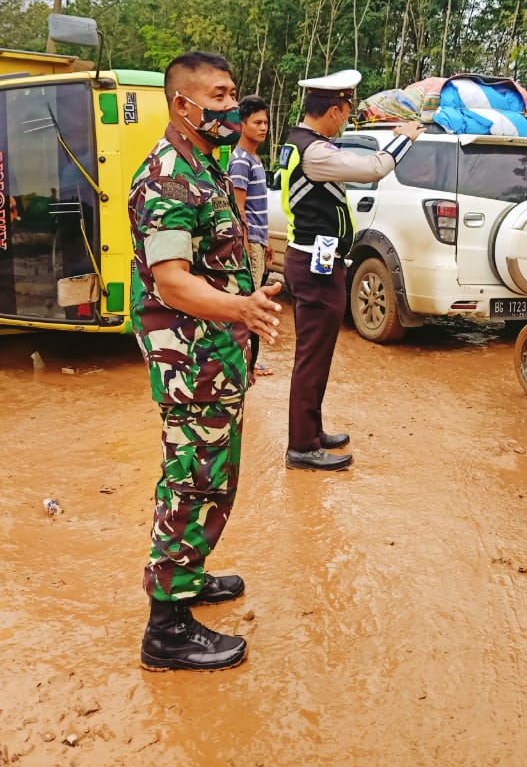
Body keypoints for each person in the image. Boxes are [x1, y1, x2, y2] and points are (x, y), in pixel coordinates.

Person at [129, 51, 284, 672]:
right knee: (193, 479)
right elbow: (171, 282)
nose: (229, 107)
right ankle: (166, 627)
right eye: (218, 97)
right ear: (183, 104)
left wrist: (245, 300)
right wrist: (241, 308)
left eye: (232, 96)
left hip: (215, 355)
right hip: (190, 359)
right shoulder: (166, 177)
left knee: (212, 475)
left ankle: (189, 578)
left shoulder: (206, 165)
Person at [279, 69, 425, 471]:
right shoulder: (315, 152)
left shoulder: (304, 142)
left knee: (318, 353)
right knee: (312, 356)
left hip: (313, 259)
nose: (346, 118)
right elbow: (375, 168)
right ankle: (301, 447)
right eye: (344, 110)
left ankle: (311, 431)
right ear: (331, 109)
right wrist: (405, 138)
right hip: (314, 265)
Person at [228, 95, 274, 378]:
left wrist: (265, 243)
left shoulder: (255, 158)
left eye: (266, 122)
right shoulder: (241, 161)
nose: (263, 127)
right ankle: (249, 362)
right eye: (257, 122)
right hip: (249, 243)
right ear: (243, 125)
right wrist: (246, 246)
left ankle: (252, 360)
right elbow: (239, 209)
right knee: (251, 301)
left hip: (258, 241)